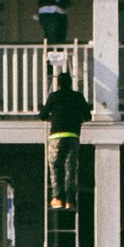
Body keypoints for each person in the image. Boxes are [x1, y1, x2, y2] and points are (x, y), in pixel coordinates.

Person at [39, 71, 92, 209]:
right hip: (73, 136)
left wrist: (53, 117)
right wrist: (77, 119)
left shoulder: (54, 96)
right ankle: (70, 200)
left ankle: (57, 198)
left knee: (55, 166)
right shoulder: (78, 97)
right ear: (70, 83)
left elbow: (42, 115)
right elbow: (88, 116)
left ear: (58, 84)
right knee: (70, 168)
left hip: (56, 135)